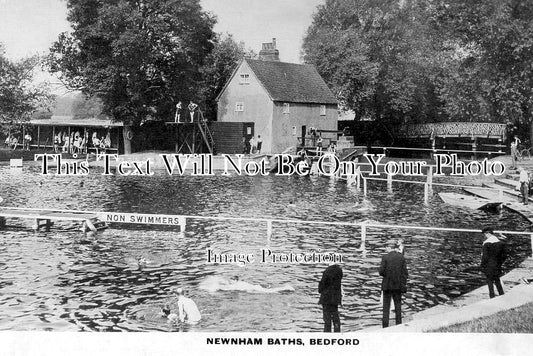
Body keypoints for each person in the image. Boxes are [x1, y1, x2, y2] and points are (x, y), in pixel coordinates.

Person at [379, 239, 408, 328]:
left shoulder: (385, 257)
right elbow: (405, 273)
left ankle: (385, 327)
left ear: (389, 247)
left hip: (387, 286)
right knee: (398, 307)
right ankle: (398, 325)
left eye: (386, 247)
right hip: (398, 285)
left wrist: (387, 275)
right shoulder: (401, 257)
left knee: (386, 309)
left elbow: (381, 272)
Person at [480, 227, 507, 299]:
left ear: (487, 233)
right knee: (497, 279)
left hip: (489, 264)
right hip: (497, 264)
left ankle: (492, 296)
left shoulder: (486, 244)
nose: (485, 236)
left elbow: (484, 257)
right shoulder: (501, 243)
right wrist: (500, 263)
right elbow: (504, 256)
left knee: (489, 280)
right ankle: (501, 294)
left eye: (485, 234)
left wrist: (482, 265)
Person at [318, 264, 343, 332]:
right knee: (335, 316)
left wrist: (320, 288)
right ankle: (337, 331)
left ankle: (327, 333)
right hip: (335, 297)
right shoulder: (339, 271)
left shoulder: (327, 271)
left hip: (326, 298)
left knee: (327, 319)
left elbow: (321, 287)